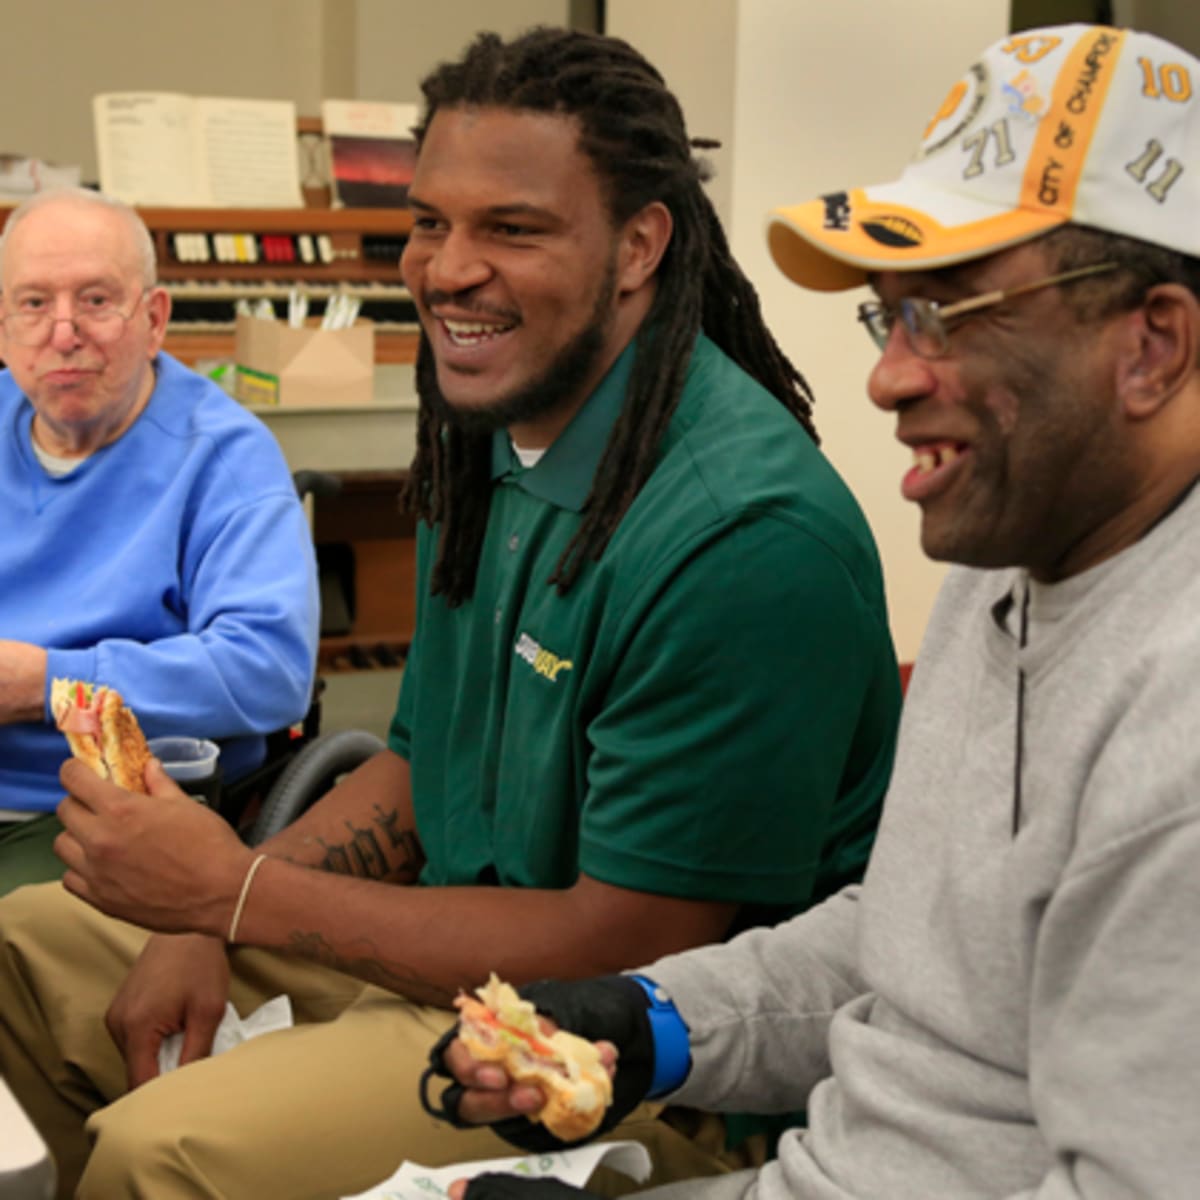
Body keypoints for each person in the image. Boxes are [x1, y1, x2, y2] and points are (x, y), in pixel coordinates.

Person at [0, 26, 900, 1200]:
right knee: (25, 949)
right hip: (453, 950)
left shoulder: (742, 539)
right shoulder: (492, 427)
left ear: (641, 246)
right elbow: (422, 760)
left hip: (635, 1062)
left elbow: (626, 949)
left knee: (158, 1151)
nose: (448, 268)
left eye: (512, 229)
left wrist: (234, 894)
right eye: (430, 222)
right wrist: (202, 917)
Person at [427, 22, 1200, 1200]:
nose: (889, 377)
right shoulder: (1009, 567)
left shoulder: (1176, 728)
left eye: (948, 315)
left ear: (1152, 347)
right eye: (884, 317)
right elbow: (916, 946)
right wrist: (655, 1022)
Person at [0, 188, 318, 893]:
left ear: (153, 319)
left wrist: (42, 685)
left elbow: (268, 672)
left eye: (95, 301)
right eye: (32, 304)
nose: (62, 332)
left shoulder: (224, 459)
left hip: (96, 810)